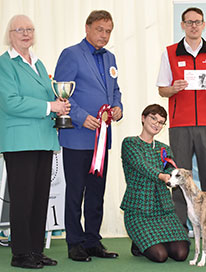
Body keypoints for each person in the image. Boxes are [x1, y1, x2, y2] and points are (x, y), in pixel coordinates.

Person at [156, 7, 206, 251]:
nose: (193, 26)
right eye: (189, 22)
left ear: (203, 24)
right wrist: (173, 88)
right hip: (180, 124)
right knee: (178, 179)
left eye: (197, 22)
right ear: (182, 25)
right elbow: (161, 89)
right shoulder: (169, 53)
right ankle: (180, 232)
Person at [0, 15, 70, 269]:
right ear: (11, 34)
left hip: (43, 139)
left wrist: (59, 106)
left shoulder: (39, 64)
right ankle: (20, 254)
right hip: (19, 141)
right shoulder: (4, 64)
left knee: (40, 198)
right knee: (23, 198)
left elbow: (48, 96)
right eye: (20, 30)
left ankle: (35, 251)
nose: (26, 34)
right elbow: (10, 101)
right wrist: (49, 105)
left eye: (30, 29)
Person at [54, 10, 122, 262]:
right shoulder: (71, 54)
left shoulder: (111, 57)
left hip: (102, 139)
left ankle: (93, 241)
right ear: (87, 28)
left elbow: (115, 90)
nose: (104, 35)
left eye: (108, 31)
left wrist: (117, 107)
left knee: (97, 192)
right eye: (99, 29)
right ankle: (74, 243)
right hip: (77, 137)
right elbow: (62, 93)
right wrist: (82, 117)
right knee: (75, 192)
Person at [120, 104, 190, 263]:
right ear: (143, 118)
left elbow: (172, 168)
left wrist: (178, 175)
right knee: (160, 256)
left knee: (181, 254)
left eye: (161, 122)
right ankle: (139, 244)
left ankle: (154, 241)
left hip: (163, 209)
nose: (156, 124)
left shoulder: (164, 148)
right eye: (153, 118)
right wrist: (162, 176)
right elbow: (142, 166)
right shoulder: (130, 143)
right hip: (139, 210)